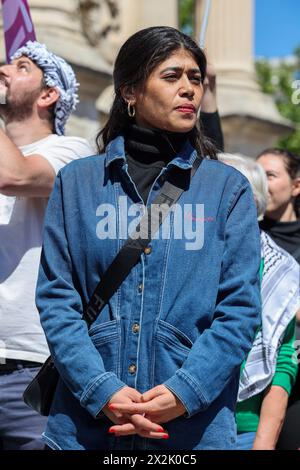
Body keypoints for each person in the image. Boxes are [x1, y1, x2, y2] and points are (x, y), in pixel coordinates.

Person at [36, 26, 261, 451]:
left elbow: (241, 309)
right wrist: (101, 390)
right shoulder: (77, 183)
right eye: (172, 76)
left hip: (193, 434)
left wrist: (185, 392)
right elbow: (56, 299)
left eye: (195, 78)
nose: (188, 89)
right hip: (87, 432)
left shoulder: (227, 189)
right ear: (130, 91)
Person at [0, 41, 93, 450]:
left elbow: (14, 176)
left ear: (48, 94)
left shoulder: (70, 151)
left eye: (20, 67)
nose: (3, 69)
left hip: (28, 365)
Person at [219, 154, 299, 450]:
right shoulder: (180, 254)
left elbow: (285, 361)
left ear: (249, 203)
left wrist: (262, 444)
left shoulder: (282, 270)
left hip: (245, 433)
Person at [256, 148, 300, 450]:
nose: (262, 183)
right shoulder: (246, 234)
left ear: (296, 185)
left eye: (270, 175)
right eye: (257, 175)